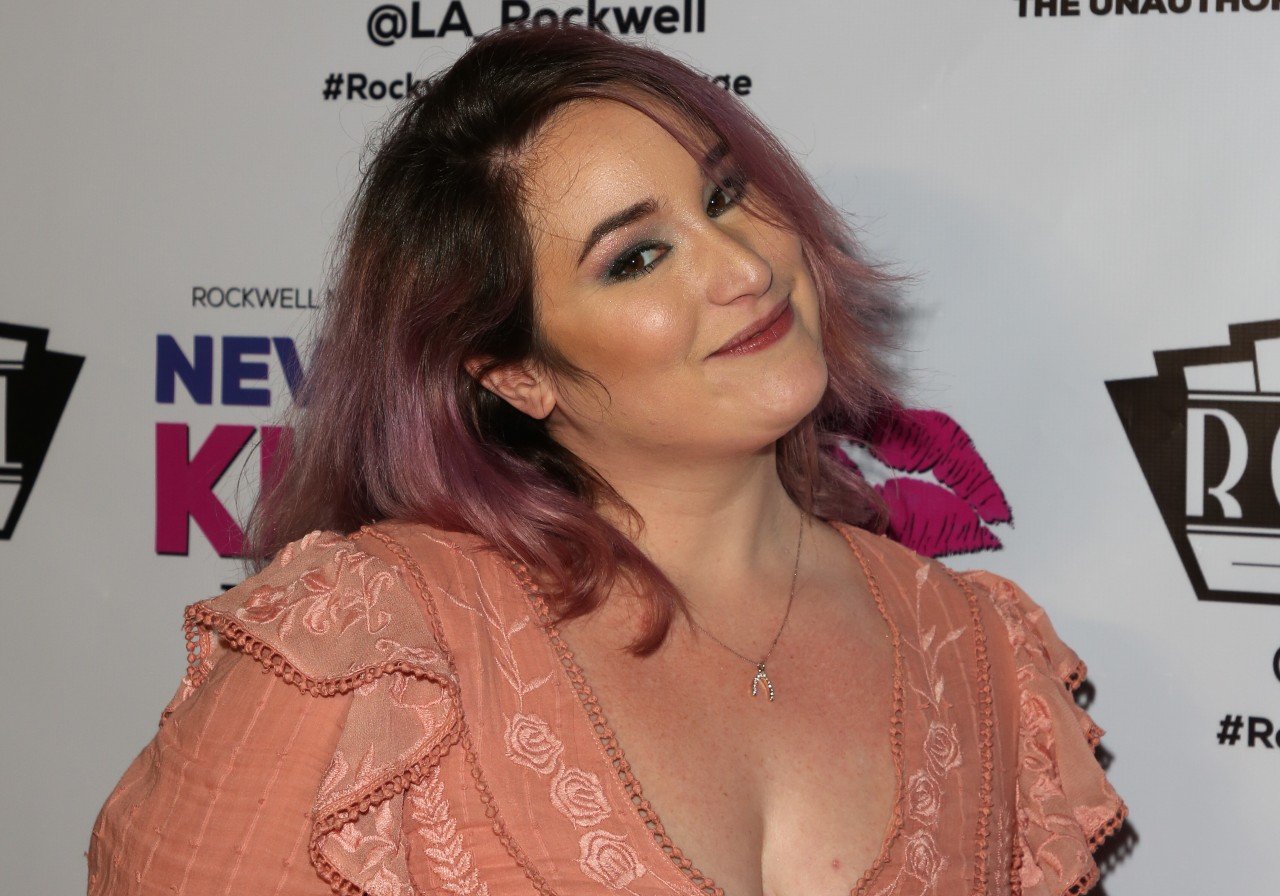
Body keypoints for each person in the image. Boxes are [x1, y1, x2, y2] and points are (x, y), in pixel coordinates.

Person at [87, 22, 1125, 896]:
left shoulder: (978, 654)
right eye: (635, 258)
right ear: (513, 372)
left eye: (725, 196)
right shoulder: (370, 647)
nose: (743, 267)